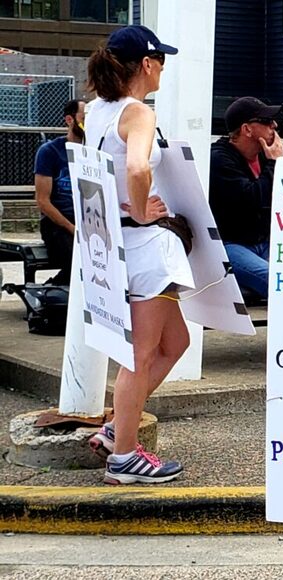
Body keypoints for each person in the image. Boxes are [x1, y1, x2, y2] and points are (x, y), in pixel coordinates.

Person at [84, 25, 192, 484]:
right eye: (160, 60)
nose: (164, 67)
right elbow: (135, 166)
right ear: (146, 65)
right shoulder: (137, 114)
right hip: (145, 246)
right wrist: (145, 212)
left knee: (176, 343)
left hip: (113, 244)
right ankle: (124, 455)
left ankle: (117, 427)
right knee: (140, 355)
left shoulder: (97, 111)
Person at [208, 97, 283, 299]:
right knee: (277, 281)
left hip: (263, 240)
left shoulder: (263, 156)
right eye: (267, 122)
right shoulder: (219, 159)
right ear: (247, 129)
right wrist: (274, 164)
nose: (274, 126)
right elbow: (251, 198)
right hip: (231, 245)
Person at [34, 99, 85, 286]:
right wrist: (72, 228)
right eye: (83, 118)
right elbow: (42, 201)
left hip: (87, 222)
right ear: (69, 120)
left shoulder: (93, 151)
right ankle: (49, 292)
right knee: (76, 261)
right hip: (57, 225)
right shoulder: (50, 151)